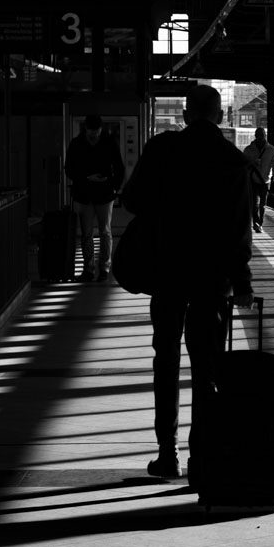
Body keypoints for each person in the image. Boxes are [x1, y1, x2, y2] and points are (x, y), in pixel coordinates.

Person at [120, 85, 255, 482]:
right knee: (206, 367)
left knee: (166, 359)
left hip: (167, 271)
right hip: (212, 279)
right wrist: (242, 280)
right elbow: (239, 231)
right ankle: (201, 457)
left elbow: (131, 201)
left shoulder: (162, 149)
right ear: (220, 115)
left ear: (184, 114)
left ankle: (168, 454)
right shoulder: (232, 161)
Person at [63, 115, 124, 282]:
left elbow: (69, 169)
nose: (94, 135)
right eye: (92, 132)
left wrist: (85, 178)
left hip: (84, 193)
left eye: (95, 132)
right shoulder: (109, 143)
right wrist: (113, 185)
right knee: (104, 232)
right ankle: (103, 268)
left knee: (88, 233)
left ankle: (89, 269)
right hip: (104, 193)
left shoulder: (76, 144)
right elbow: (119, 168)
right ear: (87, 129)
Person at [241, 127, 274, 232]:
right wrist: (252, 164)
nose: (260, 138)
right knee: (255, 204)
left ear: (265, 136)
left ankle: (260, 223)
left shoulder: (271, 150)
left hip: (265, 180)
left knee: (262, 205)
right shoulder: (249, 150)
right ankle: (257, 223)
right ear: (255, 136)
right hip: (253, 180)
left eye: (262, 135)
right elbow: (243, 164)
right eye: (258, 135)